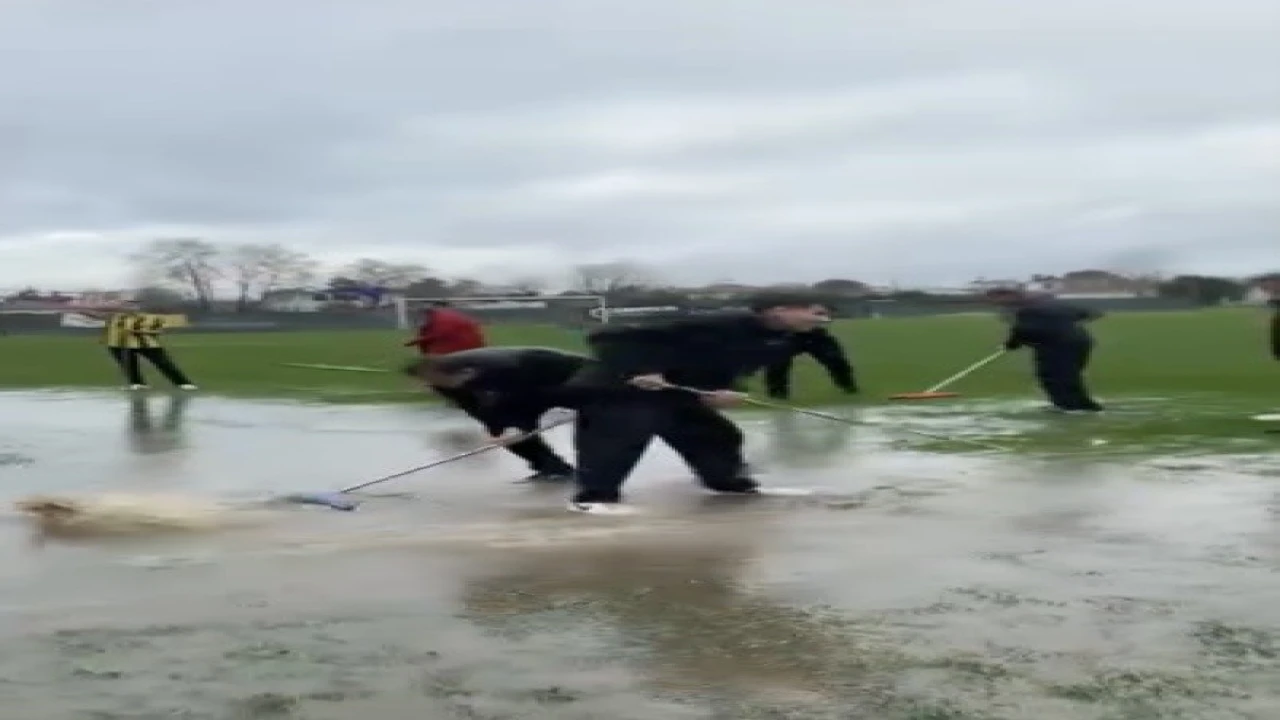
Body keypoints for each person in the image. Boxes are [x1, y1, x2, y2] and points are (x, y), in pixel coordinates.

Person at [564, 292, 831, 514]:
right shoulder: (721, 323)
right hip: (618, 392)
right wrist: (644, 369)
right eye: (814, 312)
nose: (823, 319)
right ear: (780, 310)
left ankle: (731, 487)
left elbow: (720, 367)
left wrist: (725, 391)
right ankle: (593, 504)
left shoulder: (771, 339)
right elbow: (606, 336)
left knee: (718, 436)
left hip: (673, 396)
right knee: (618, 444)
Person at [404, 346, 584, 482]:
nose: (426, 386)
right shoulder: (446, 384)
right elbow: (476, 408)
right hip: (535, 385)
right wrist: (497, 429)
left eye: (429, 379)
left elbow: (523, 397)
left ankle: (599, 474)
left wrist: (522, 425)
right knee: (505, 433)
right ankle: (553, 469)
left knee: (596, 421)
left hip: (567, 376)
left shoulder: (498, 370)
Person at [984, 288, 1103, 413]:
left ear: (1008, 296)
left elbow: (1022, 330)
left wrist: (1011, 345)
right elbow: (1091, 313)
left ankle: (1071, 406)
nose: (994, 302)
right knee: (1067, 376)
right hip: (1078, 342)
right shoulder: (1044, 304)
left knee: (1055, 377)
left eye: (995, 298)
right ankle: (1076, 405)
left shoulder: (1024, 308)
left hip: (1058, 346)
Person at [97, 302, 197, 391]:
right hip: (123, 344)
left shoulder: (147, 318)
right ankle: (137, 383)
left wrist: (139, 331)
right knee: (128, 365)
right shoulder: (117, 317)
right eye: (126, 306)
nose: (129, 308)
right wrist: (82, 309)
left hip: (147, 344)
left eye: (133, 306)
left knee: (163, 363)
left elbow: (159, 331)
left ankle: (183, 383)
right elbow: (100, 317)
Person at [762, 325, 857, 399]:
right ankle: (777, 394)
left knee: (835, 358)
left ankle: (848, 387)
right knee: (776, 364)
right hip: (784, 333)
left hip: (814, 332)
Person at [403, 301, 486, 356]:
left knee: (439, 355)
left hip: (466, 345)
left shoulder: (442, 319)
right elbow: (425, 336)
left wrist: (414, 341)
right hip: (467, 343)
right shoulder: (434, 318)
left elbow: (438, 335)